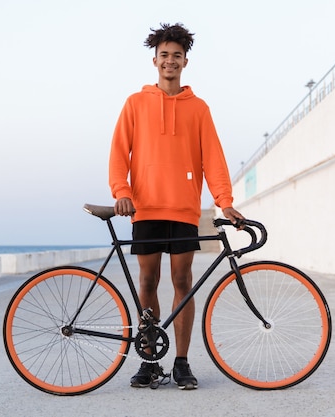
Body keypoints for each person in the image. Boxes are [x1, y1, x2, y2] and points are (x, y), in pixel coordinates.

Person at [108, 23, 245, 390]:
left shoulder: (198, 108)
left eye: (177, 56)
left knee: (183, 282)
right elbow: (119, 153)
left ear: (186, 62)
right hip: (146, 209)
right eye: (164, 55)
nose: (170, 61)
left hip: (183, 209)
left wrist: (224, 202)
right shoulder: (135, 103)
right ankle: (150, 360)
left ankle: (182, 362)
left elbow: (212, 159)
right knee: (148, 282)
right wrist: (121, 190)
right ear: (155, 60)